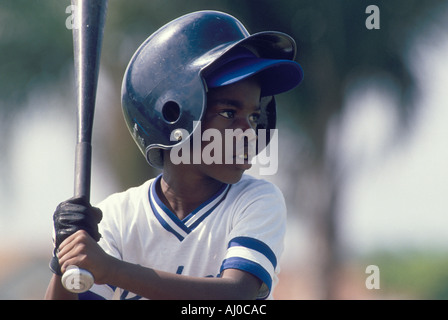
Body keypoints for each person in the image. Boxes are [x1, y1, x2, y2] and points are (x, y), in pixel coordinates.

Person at [45, 10, 303, 300]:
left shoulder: (255, 200)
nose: (249, 132)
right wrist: (65, 259)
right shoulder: (117, 217)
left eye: (254, 117)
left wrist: (112, 270)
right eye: (229, 113)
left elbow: (237, 295)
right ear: (172, 114)